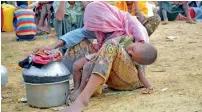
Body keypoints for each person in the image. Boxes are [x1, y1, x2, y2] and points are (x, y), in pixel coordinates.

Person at [69, 35, 156, 102]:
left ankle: (82, 90)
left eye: (131, 55)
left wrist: (148, 86)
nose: (129, 52)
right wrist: (93, 56)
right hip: (104, 59)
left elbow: (141, 75)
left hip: (127, 81)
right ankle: (77, 88)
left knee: (88, 66)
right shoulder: (123, 39)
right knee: (79, 65)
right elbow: (105, 50)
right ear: (140, 41)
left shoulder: (137, 60)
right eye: (132, 49)